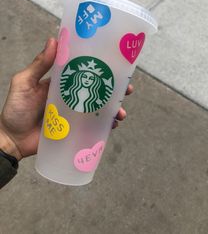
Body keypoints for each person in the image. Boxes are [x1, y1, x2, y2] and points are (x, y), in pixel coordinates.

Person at [0, 38, 133, 189]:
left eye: (91, 77)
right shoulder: (73, 91)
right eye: (84, 76)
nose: (87, 79)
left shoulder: (93, 98)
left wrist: (8, 139)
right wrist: (8, 137)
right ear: (78, 76)